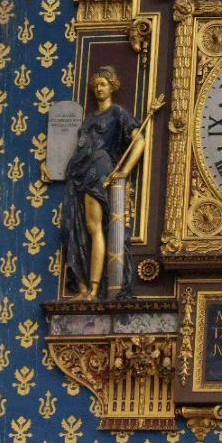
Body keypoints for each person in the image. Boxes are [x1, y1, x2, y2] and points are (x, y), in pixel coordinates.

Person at [60, 66, 143, 299]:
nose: (98, 88)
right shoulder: (90, 118)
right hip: (80, 173)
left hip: (100, 169)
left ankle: (95, 288)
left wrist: (125, 171)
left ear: (112, 87)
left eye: (103, 84)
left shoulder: (117, 113)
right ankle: (86, 287)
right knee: (80, 228)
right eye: (96, 85)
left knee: (95, 228)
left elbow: (140, 141)